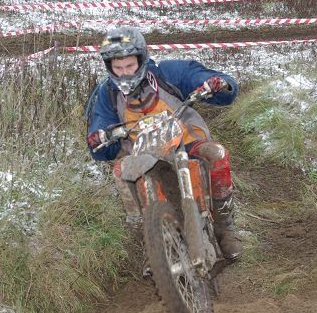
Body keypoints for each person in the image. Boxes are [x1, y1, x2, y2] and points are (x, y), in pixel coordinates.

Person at [86, 26, 243, 261]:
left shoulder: (167, 74)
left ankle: (225, 227)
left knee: (217, 154)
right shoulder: (107, 94)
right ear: (109, 67)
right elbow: (100, 134)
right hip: (142, 154)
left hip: (187, 143)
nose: (125, 73)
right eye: (118, 68)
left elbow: (198, 77)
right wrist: (98, 138)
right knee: (121, 171)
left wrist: (217, 84)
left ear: (142, 59)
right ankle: (148, 244)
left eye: (130, 66)